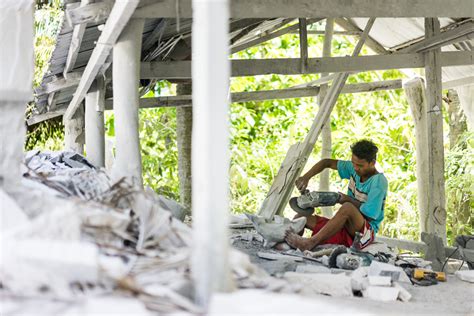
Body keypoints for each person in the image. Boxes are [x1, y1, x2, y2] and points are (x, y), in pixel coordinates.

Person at [284, 139, 388, 251]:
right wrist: (306, 177)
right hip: (344, 227)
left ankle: (310, 242)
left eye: (360, 165)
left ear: (372, 163)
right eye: (353, 163)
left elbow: (369, 215)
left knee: (347, 207)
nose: (355, 168)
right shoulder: (353, 168)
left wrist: (346, 199)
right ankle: (290, 248)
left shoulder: (378, 182)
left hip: (364, 234)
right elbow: (326, 162)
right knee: (300, 218)